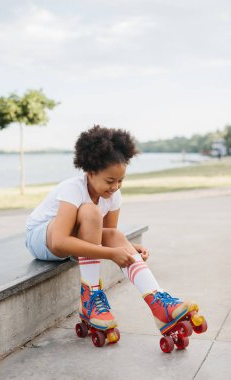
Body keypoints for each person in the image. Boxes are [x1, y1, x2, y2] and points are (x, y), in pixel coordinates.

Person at [25, 125, 203, 344]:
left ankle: (159, 303)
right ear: (90, 172)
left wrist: (127, 248)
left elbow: (106, 235)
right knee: (91, 211)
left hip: (70, 239)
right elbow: (60, 242)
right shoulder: (72, 188)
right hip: (42, 237)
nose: (116, 187)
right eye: (110, 181)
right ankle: (90, 298)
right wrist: (110, 253)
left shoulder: (113, 196)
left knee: (116, 234)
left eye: (121, 181)